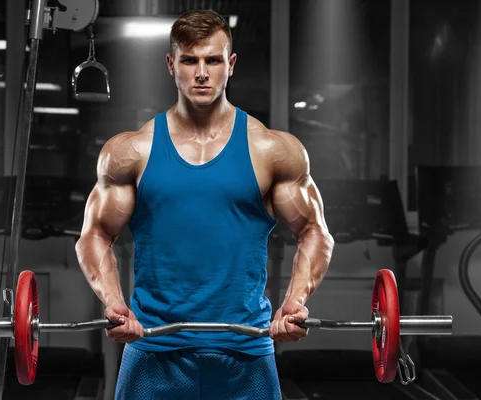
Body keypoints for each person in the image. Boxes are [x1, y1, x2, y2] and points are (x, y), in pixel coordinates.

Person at [75, 9, 335, 399]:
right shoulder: (131, 151)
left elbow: (315, 231)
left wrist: (295, 302)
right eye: (190, 60)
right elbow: (94, 234)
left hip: (244, 352)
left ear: (230, 65)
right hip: (154, 348)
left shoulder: (272, 150)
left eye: (213, 60)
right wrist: (114, 304)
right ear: (171, 64)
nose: (201, 73)